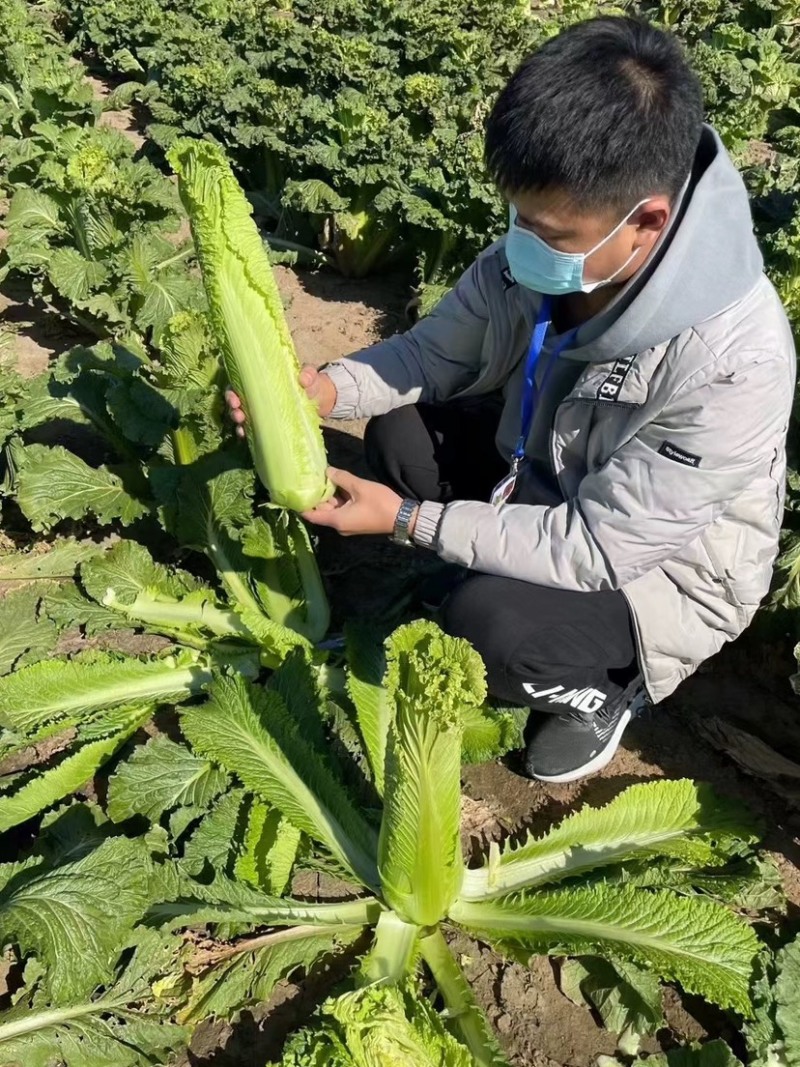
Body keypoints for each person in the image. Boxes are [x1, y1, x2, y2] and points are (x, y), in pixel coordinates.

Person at [228, 15, 796, 784]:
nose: (520, 242)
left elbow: (598, 546)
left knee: (487, 628)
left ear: (649, 220)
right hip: (541, 473)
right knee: (398, 432)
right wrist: (325, 389)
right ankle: (483, 559)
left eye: (548, 230)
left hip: (652, 572)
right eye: (518, 218)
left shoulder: (736, 362)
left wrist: (407, 521)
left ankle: (605, 692)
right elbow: (435, 353)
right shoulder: (558, 245)